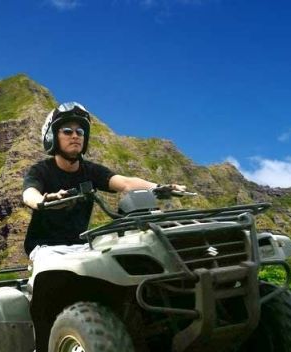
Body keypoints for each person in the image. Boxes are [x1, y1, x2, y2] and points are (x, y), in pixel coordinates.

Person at [22, 101, 187, 260]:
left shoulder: (91, 170)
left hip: (82, 246)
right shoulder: (41, 170)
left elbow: (125, 183)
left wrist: (159, 187)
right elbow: (29, 193)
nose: (75, 136)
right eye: (67, 131)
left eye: (80, 132)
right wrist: (42, 201)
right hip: (44, 249)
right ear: (52, 137)